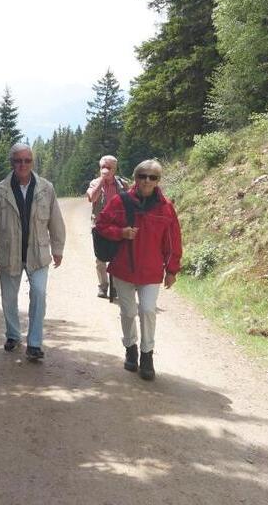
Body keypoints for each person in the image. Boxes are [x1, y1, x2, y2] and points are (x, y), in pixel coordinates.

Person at [95, 159, 182, 381]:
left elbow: (172, 242)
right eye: (142, 175)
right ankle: (130, 348)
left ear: (158, 181)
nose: (147, 180)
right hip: (123, 268)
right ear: (135, 178)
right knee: (128, 312)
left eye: (152, 177)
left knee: (148, 310)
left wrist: (171, 270)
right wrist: (121, 232)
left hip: (151, 272)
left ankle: (147, 355)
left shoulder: (166, 208)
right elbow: (102, 225)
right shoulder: (120, 201)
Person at [0, 143, 65, 361]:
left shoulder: (46, 188)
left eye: (27, 160)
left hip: (38, 253)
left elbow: (56, 221)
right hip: (9, 253)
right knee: (9, 298)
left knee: (38, 293)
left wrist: (57, 248)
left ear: (32, 162)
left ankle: (35, 343)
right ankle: (13, 334)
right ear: (12, 163)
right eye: (18, 160)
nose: (23, 164)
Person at [86, 155, 129, 299]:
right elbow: (92, 197)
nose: (105, 170)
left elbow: (130, 202)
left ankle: (115, 286)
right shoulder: (94, 183)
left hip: (117, 226)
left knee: (117, 258)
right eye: (102, 167)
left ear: (115, 169)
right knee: (100, 258)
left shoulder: (123, 185)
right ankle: (103, 287)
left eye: (108, 167)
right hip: (99, 226)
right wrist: (102, 182)